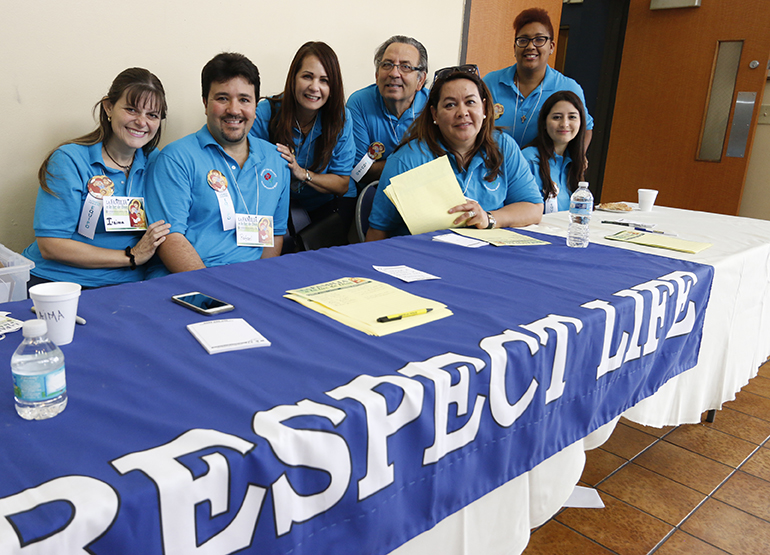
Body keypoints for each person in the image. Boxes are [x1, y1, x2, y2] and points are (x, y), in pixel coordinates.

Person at [22, 68, 171, 289]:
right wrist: (130, 257)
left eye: (152, 115)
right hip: (57, 281)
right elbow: (50, 245)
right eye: (132, 109)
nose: (141, 122)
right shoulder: (69, 160)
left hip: (127, 285)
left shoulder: (156, 161)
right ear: (108, 107)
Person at [145, 53, 290, 275]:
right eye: (222, 98)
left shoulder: (276, 159)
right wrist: (215, 292)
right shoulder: (176, 158)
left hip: (251, 280)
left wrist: (259, 282)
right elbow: (169, 239)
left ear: (255, 105)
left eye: (244, 99)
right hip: (189, 282)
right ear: (205, 103)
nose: (234, 110)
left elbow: (275, 234)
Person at [366, 65, 543, 240]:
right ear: (435, 114)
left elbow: (533, 207)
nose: (462, 112)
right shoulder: (407, 159)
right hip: (423, 258)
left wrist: (488, 218)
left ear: (484, 108)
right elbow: (379, 231)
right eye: (450, 105)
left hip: (486, 256)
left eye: (470, 102)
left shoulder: (504, 146)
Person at [250, 41, 355, 243]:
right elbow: (250, 173)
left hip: (326, 204)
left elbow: (342, 184)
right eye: (307, 76)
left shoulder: (341, 119)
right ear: (293, 78)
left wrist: (302, 173)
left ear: (333, 87)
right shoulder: (266, 112)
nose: (314, 87)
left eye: (324, 80)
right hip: (274, 202)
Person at [483, 7, 593, 149]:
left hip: (542, 169)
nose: (530, 46)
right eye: (523, 40)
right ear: (514, 47)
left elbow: (586, 128)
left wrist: (573, 164)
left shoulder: (568, 88)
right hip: (492, 168)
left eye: (539, 40)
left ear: (551, 46)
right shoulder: (491, 82)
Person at [346, 35, 429, 191]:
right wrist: (414, 164)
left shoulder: (435, 106)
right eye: (387, 65)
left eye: (405, 67)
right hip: (371, 194)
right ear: (377, 75)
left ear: (420, 80)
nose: (394, 73)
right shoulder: (359, 103)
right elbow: (359, 172)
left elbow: (443, 165)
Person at [522, 91, 587, 213]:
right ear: (544, 123)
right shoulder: (529, 158)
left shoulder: (574, 162)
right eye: (557, 117)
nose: (564, 124)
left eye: (572, 117)